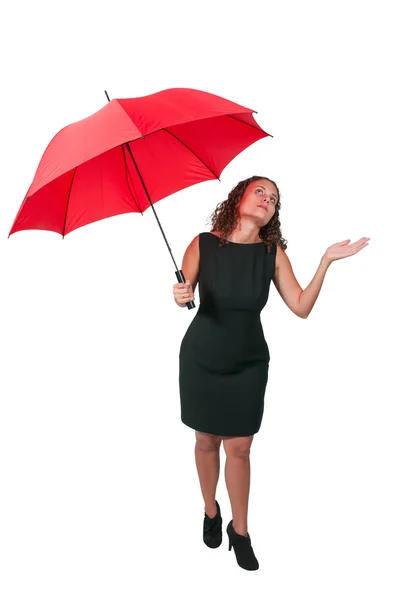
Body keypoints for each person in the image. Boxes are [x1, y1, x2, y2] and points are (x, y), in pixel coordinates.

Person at [172, 175, 369, 571]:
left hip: (247, 364)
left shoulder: (270, 253)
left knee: (240, 448)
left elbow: (300, 305)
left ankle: (239, 531)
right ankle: (210, 511)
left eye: (274, 198)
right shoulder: (202, 244)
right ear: (238, 197)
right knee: (206, 440)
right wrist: (179, 295)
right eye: (260, 191)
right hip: (202, 360)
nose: (267, 199)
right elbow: (184, 293)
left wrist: (325, 261)